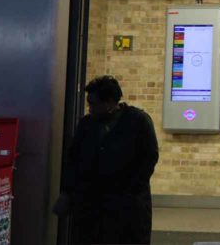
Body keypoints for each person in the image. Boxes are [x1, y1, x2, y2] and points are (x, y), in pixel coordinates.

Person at [56, 75, 159, 245]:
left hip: (127, 206)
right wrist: (67, 193)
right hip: (92, 206)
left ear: (110, 102)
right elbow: (73, 160)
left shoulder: (138, 122)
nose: (90, 109)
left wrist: (130, 188)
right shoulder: (87, 125)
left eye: (94, 104)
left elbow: (149, 158)